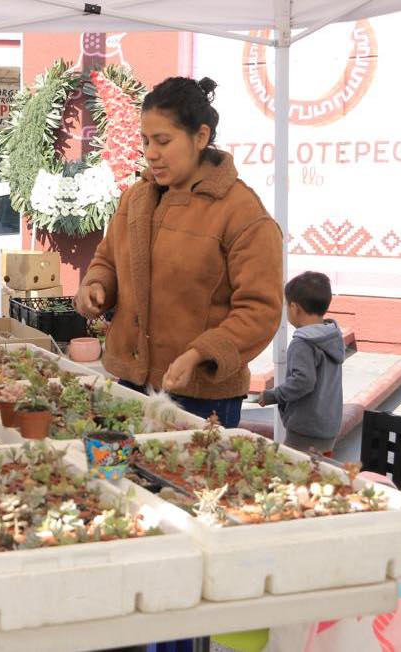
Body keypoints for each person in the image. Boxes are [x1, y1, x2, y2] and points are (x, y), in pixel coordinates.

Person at [75, 77, 283, 428]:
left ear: (200, 137)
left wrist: (201, 352)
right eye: (145, 140)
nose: (150, 152)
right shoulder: (136, 198)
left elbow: (260, 310)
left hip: (201, 396)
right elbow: (107, 259)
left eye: (163, 141)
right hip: (130, 382)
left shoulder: (242, 213)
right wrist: (97, 285)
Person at [259, 272, 345, 454]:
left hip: (306, 428)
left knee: (293, 473)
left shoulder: (302, 343)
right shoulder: (332, 336)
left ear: (294, 308)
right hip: (329, 426)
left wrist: (273, 395)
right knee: (319, 472)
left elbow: (303, 381)